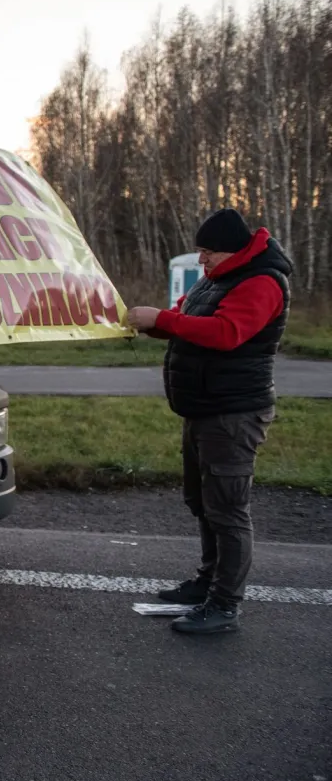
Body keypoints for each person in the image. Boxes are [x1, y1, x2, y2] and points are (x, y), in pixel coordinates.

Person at [126, 208, 291, 634]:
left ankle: (224, 605)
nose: (201, 261)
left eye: (207, 252)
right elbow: (185, 321)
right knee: (203, 503)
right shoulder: (217, 280)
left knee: (228, 511)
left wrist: (161, 319)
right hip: (203, 410)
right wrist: (143, 323)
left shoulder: (262, 281)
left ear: (231, 250)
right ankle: (207, 583)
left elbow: (225, 332)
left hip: (233, 414)